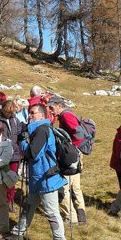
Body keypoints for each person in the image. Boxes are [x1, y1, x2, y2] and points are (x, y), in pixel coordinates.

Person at [0, 104, 67, 240]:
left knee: (51, 213)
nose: (29, 115)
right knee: (28, 207)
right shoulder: (37, 130)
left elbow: (32, 153)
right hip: (38, 178)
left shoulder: (42, 130)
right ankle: (17, 234)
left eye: (32, 113)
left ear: (42, 116)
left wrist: (22, 141)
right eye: (29, 112)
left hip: (47, 179)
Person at [47, 96, 87, 224]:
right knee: (75, 186)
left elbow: (79, 134)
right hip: (75, 154)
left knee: (64, 186)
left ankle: (70, 218)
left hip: (70, 156)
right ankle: (81, 216)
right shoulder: (68, 114)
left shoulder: (66, 116)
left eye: (52, 108)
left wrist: (70, 148)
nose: (51, 111)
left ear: (59, 105)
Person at [0, 100, 22, 212]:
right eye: (7, 112)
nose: (8, 114)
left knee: (12, 179)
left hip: (15, 154)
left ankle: (9, 201)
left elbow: (20, 135)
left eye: (10, 113)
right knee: (1, 180)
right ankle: (1, 201)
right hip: (1, 154)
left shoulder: (16, 120)